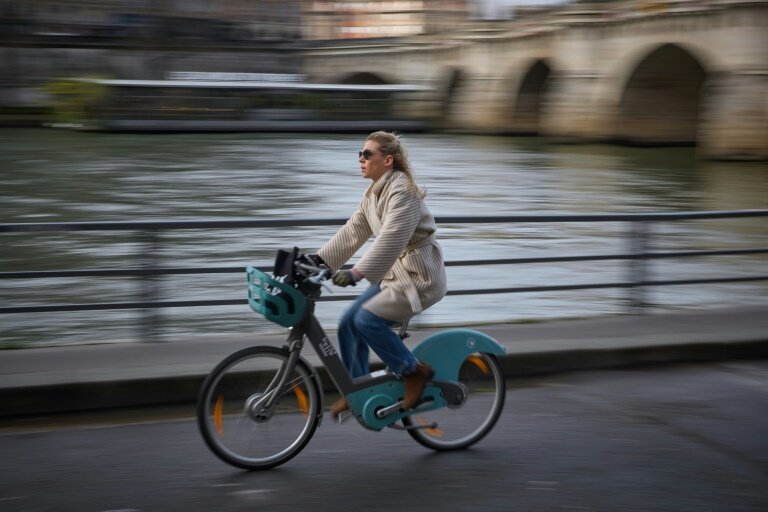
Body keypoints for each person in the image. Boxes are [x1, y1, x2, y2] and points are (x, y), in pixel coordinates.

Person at [314, 131, 448, 420]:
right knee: (347, 322)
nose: (360, 159)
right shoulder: (373, 193)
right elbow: (352, 232)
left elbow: (392, 238)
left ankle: (413, 371)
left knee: (366, 320)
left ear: (387, 160)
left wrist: (357, 272)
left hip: (420, 278)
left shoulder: (403, 191)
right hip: (396, 276)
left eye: (367, 154)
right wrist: (317, 261)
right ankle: (358, 389)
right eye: (359, 154)